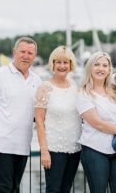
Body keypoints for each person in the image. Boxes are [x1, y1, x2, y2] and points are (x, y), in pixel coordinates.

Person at [0, 37, 42, 192]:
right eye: (22, 51)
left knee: (14, 189)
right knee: (3, 189)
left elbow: (40, 113)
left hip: (22, 146)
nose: (26, 56)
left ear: (34, 56)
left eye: (30, 53)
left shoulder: (37, 80)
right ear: (14, 52)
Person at [76, 51, 116, 193]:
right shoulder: (83, 94)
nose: (101, 68)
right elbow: (98, 123)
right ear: (90, 68)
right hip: (94, 149)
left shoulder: (115, 91)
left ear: (109, 69)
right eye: (96, 64)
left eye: (105, 65)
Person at [34, 46, 82, 193]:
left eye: (66, 62)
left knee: (66, 188)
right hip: (54, 148)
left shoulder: (74, 85)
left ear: (71, 65)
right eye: (58, 62)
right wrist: (44, 151)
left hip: (74, 147)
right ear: (53, 64)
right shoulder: (45, 87)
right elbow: (40, 122)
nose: (62, 66)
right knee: (53, 189)